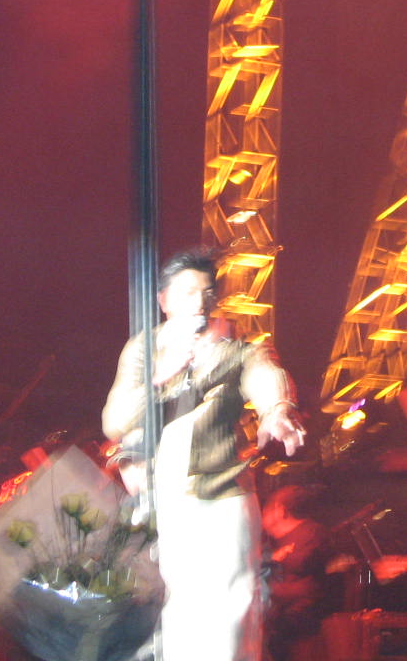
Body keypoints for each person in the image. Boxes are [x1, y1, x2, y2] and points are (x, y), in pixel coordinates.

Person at [102, 246, 307, 661]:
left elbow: (265, 374)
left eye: (207, 293)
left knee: (233, 605)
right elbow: (114, 420)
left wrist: (277, 410)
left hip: (224, 491)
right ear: (163, 300)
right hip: (169, 499)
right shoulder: (144, 350)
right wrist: (160, 378)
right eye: (187, 292)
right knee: (182, 607)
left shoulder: (234, 345)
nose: (199, 302)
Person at [260, 485, 332, 661]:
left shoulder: (311, 534)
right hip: (276, 630)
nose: (262, 517)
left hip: (299, 633)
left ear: (280, 510)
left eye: (266, 510)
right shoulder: (270, 545)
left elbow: (307, 582)